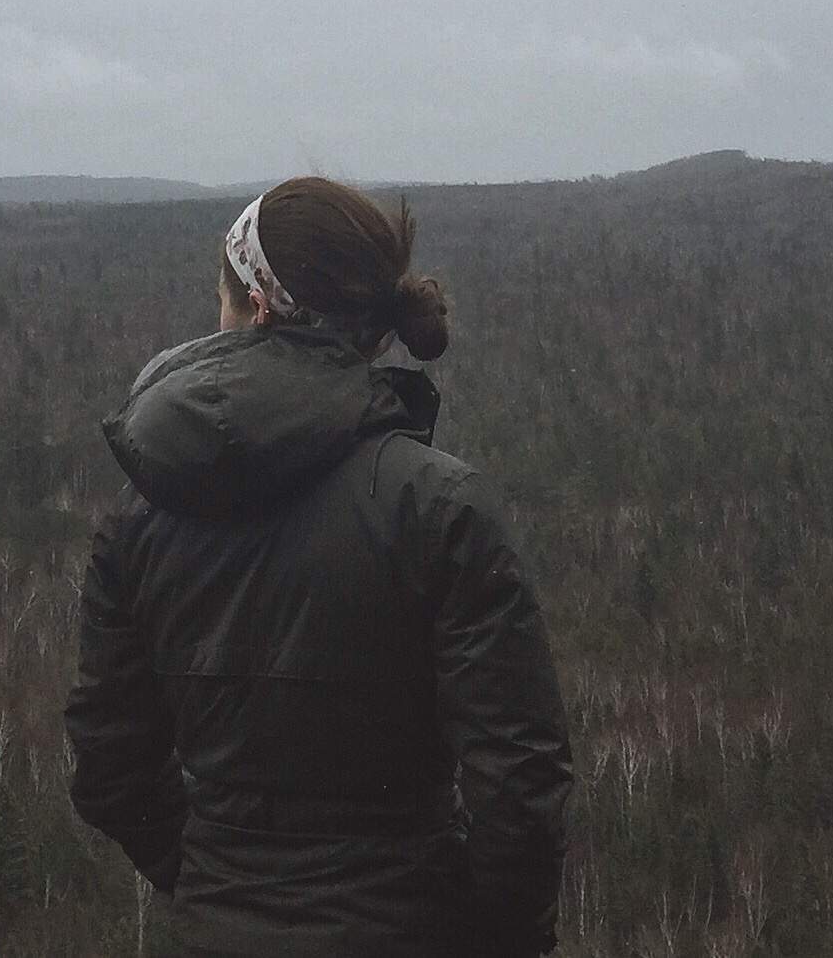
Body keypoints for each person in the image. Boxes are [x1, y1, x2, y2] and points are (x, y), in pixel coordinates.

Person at [67, 176, 572, 956]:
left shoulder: (140, 515)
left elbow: (110, 764)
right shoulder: (441, 511)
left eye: (222, 296)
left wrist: (216, 883)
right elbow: (520, 784)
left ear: (258, 308)